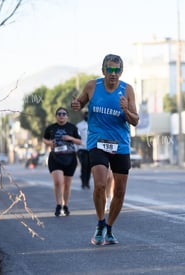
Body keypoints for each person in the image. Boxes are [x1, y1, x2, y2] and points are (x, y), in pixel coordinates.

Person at [71, 54, 139, 245]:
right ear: (103, 70)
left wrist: (126, 110)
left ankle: (109, 228)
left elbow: (135, 120)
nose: (113, 74)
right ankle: (100, 223)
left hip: (120, 144)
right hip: (97, 141)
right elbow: (80, 103)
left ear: (121, 72)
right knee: (100, 185)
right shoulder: (93, 86)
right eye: (109, 69)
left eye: (117, 70)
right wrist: (76, 104)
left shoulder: (128, 90)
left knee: (120, 191)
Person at [43, 107, 82, 217]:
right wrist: (50, 143)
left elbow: (80, 141)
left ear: (67, 116)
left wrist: (71, 138)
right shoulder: (51, 128)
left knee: (67, 184)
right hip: (55, 158)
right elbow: (44, 139)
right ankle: (58, 205)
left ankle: (66, 205)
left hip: (70, 158)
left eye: (64, 114)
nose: (61, 116)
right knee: (58, 182)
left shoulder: (72, 127)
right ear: (56, 116)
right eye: (59, 114)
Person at [76, 111, 91, 189]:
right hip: (82, 149)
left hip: (91, 149)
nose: (87, 116)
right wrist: (76, 149)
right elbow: (76, 137)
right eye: (86, 115)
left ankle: (87, 182)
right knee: (84, 165)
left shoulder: (94, 124)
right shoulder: (79, 126)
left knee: (89, 166)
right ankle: (83, 182)